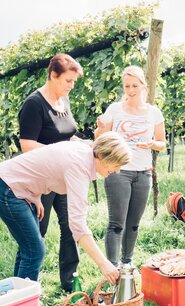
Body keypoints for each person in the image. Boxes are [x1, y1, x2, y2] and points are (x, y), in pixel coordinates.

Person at [0, 131, 131, 284]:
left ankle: (16, 300)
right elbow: (77, 225)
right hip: (8, 187)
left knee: (29, 249)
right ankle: (22, 303)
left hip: (15, 185)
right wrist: (104, 264)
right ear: (103, 157)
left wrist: (34, 194)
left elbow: (43, 165)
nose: (117, 171)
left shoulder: (84, 153)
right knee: (34, 250)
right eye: (117, 165)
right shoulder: (79, 165)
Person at [18, 53, 84, 292]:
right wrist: (63, 151)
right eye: (68, 81)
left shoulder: (63, 101)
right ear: (53, 75)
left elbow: (67, 134)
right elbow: (27, 145)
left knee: (71, 227)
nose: (71, 86)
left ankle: (70, 282)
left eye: (74, 82)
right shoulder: (34, 104)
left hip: (65, 177)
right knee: (37, 233)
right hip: (41, 180)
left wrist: (84, 145)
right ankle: (25, 287)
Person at [95, 65, 166, 267]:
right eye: (127, 86)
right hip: (118, 172)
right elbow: (102, 139)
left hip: (143, 173)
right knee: (116, 224)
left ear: (143, 86)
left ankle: (127, 263)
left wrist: (153, 144)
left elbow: (162, 143)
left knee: (133, 225)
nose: (131, 90)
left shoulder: (154, 113)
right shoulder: (114, 109)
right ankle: (112, 266)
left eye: (135, 85)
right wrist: (99, 129)